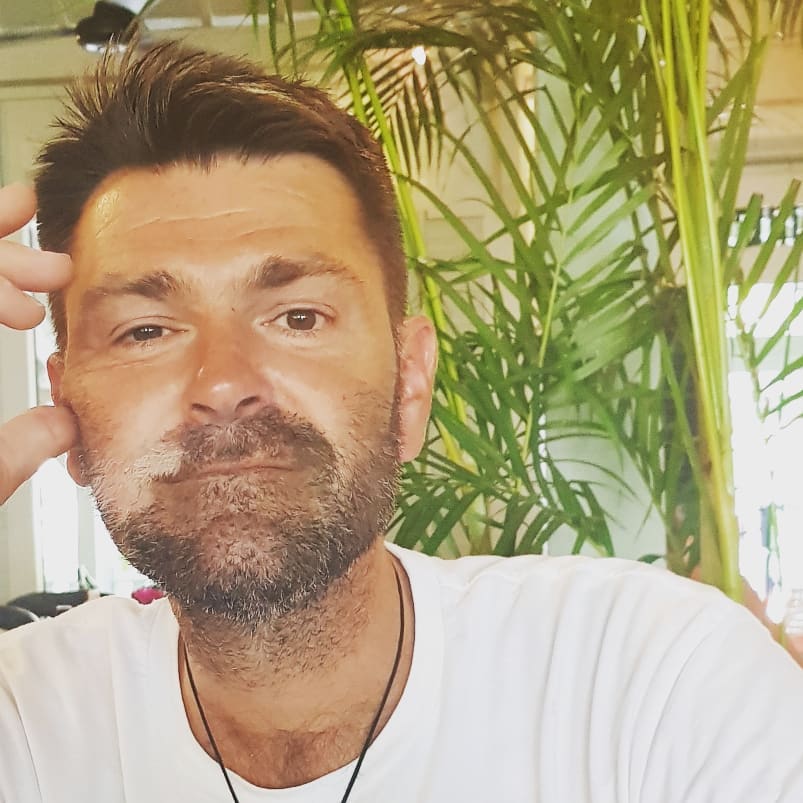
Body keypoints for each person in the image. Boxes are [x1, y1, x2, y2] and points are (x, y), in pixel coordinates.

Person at [0, 40, 802, 803]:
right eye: (146, 331)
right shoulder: (23, 720)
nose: (223, 384)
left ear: (410, 384)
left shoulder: (656, 685)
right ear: (67, 407)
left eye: (298, 316)